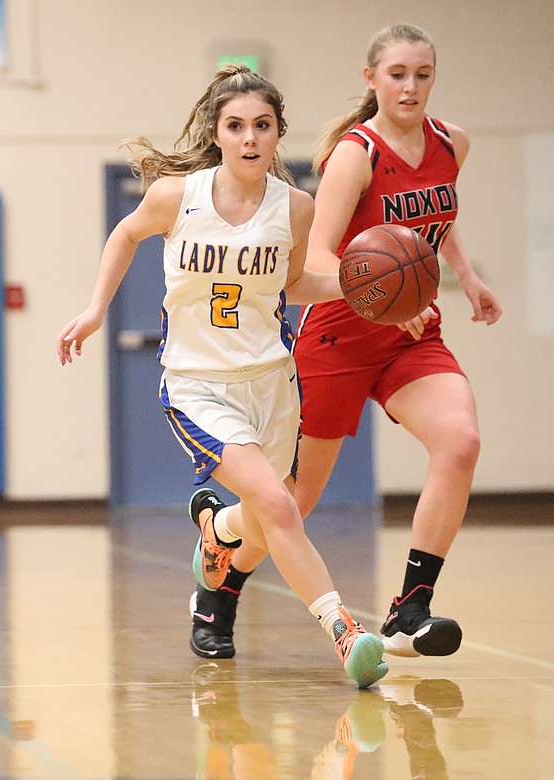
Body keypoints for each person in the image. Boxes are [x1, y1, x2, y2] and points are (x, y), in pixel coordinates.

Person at [57, 64, 388, 688]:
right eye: (236, 126)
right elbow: (126, 235)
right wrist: (96, 308)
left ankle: (216, 536)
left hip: (271, 382)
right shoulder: (178, 195)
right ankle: (344, 631)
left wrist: (367, 288)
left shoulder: (295, 207)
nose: (249, 138)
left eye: (262, 125)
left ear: (277, 133)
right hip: (197, 385)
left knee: (269, 515)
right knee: (276, 506)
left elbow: (296, 284)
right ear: (218, 131)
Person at [189, 24, 501, 662]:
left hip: (412, 334)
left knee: (460, 441)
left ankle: (410, 606)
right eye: (397, 75)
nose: (410, 87)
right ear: (372, 80)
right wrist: (380, 300)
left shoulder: (452, 143)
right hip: (337, 334)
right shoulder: (356, 154)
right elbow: (321, 255)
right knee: (292, 502)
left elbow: (434, 218)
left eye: (421, 74)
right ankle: (220, 567)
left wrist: (463, 274)